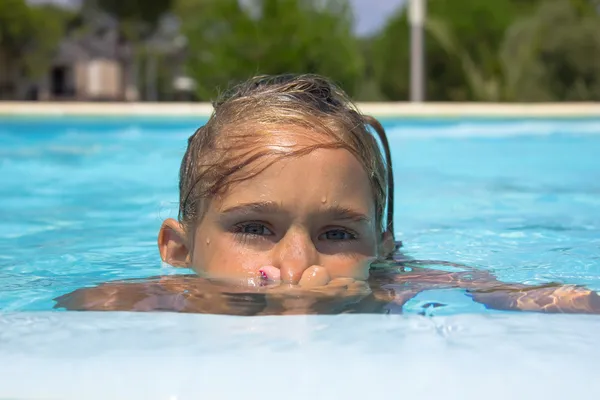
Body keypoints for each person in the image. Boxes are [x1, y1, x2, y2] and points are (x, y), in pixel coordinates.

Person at [55, 74, 600, 315]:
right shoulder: (137, 300)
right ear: (177, 248)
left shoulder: (401, 290)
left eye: (337, 233)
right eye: (253, 226)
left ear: (382, 250)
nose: (297, 264)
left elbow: (546, 299)